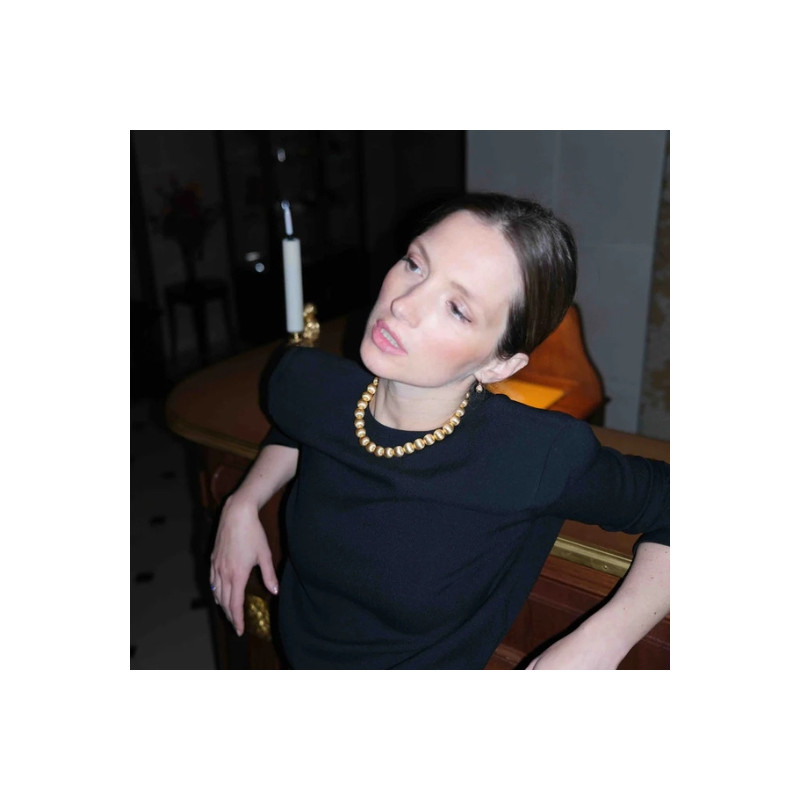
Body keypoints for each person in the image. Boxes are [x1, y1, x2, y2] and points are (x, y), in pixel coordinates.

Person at [209, 192, 669, 670]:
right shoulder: (312, 379)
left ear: (499, 364)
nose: (404, 305)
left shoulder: (531, 454)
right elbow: (298, 423)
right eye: (415, 264)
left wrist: (603, 639)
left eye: (457, 308)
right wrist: (243, 503)